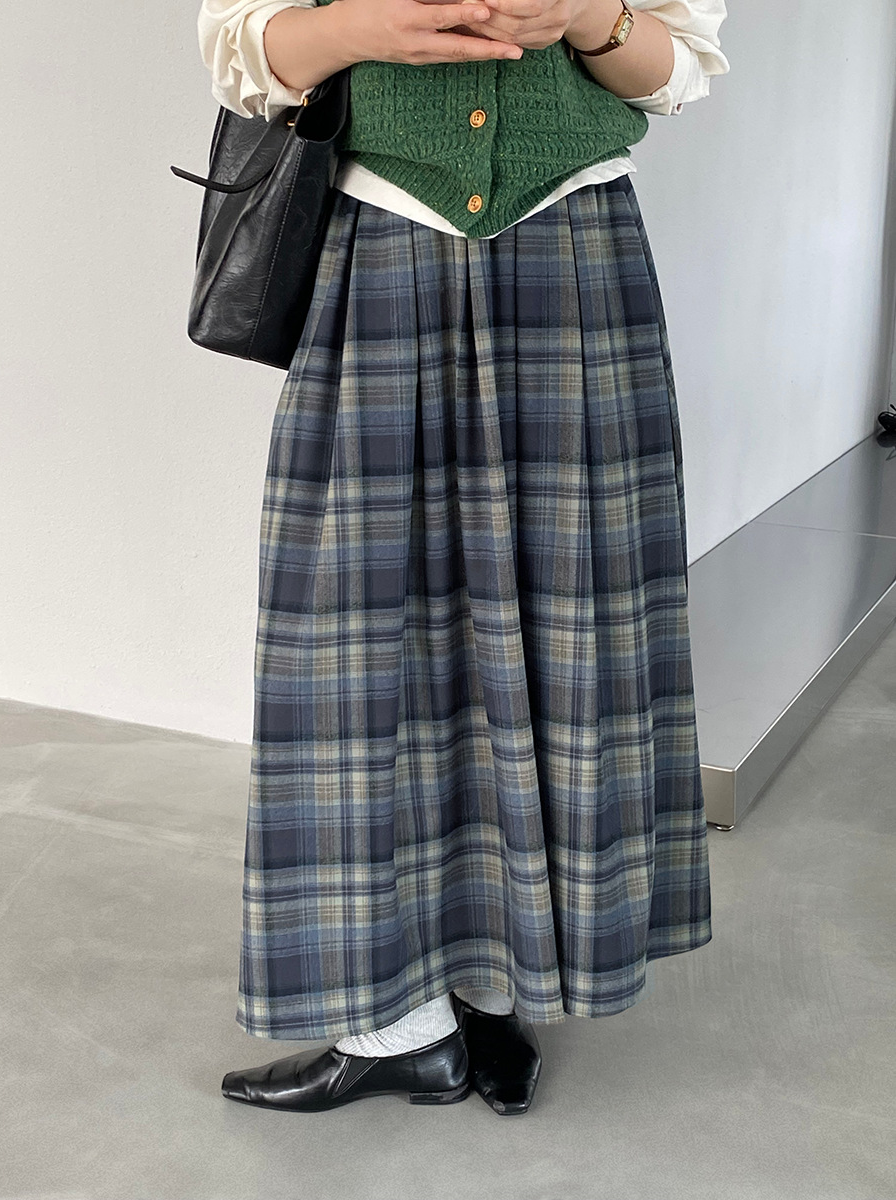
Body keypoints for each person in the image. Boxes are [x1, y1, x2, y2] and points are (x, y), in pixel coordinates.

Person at [196, 0, 729, 1116]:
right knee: (355, 648)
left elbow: (678, 69)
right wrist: (364, 28)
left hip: (574, 264)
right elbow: (240, 49)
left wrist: (586, 15)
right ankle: (391, 1023)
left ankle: (493, 987)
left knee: (563, 632)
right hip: (374, 248)